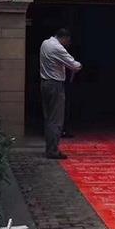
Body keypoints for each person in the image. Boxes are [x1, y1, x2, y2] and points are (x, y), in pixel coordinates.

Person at [39, 28, 82, 159]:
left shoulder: (45, 43)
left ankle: (49, 148)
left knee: (49, 118)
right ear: (65, 38)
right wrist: (79, 65)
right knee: (56, 119)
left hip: (45, 82)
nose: (67, 44)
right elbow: (74, 65)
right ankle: (52, 150)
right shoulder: (57, 48)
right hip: (55, 84)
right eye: (68, 41)